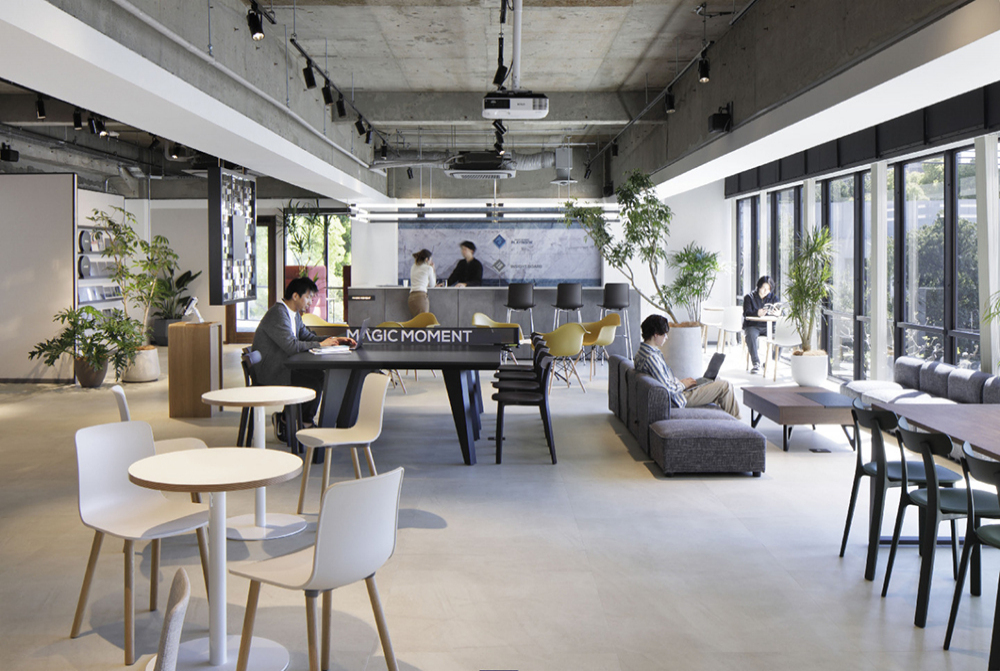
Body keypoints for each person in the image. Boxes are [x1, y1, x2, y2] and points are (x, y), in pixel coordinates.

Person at [252, 277, 355, 435]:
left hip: (283, 366)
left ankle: (288, 419)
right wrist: (321, 345)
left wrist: (334, 340)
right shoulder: (278, 313)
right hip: (272, 371)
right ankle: (300, 422)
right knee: (312, 382)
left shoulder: (293, 314)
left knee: (318, 376)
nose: (310, 302)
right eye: (308, 297)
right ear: (295, 296)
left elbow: (307, 337)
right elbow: (292, 346)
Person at [634, 314, 741, 419]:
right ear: (656, 334)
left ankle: (727, 422)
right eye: (664, 334)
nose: (666, 337)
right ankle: (737, 424)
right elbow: (667, 390)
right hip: (678, 398)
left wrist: (680, 382)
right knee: (725, 386)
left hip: (677, 392)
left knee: (716, 380)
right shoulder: (651, 358)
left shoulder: (643, 353)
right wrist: (683, 385)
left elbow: (664, 381)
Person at [743, 275, 779, 374]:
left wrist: (778, 313)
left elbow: (780, 311)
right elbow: (746, 313)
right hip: (753, 325)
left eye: (768, 289)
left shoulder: (773, 298)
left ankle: (770, 360)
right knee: (750, 335)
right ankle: (756, 363)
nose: (765, 291)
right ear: (758, 286)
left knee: (781, 334)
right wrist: (757, 313)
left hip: (769, 326)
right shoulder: (749, 297)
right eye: (763, 288)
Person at [408, 249, 436, 317]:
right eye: (430, 259)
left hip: (411, 297)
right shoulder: (428, 268)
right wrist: (433, 270)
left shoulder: (413, 267)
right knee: (423, 321)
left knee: (416, 321)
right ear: (426, 259)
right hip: (421, 297)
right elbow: (432, 285)